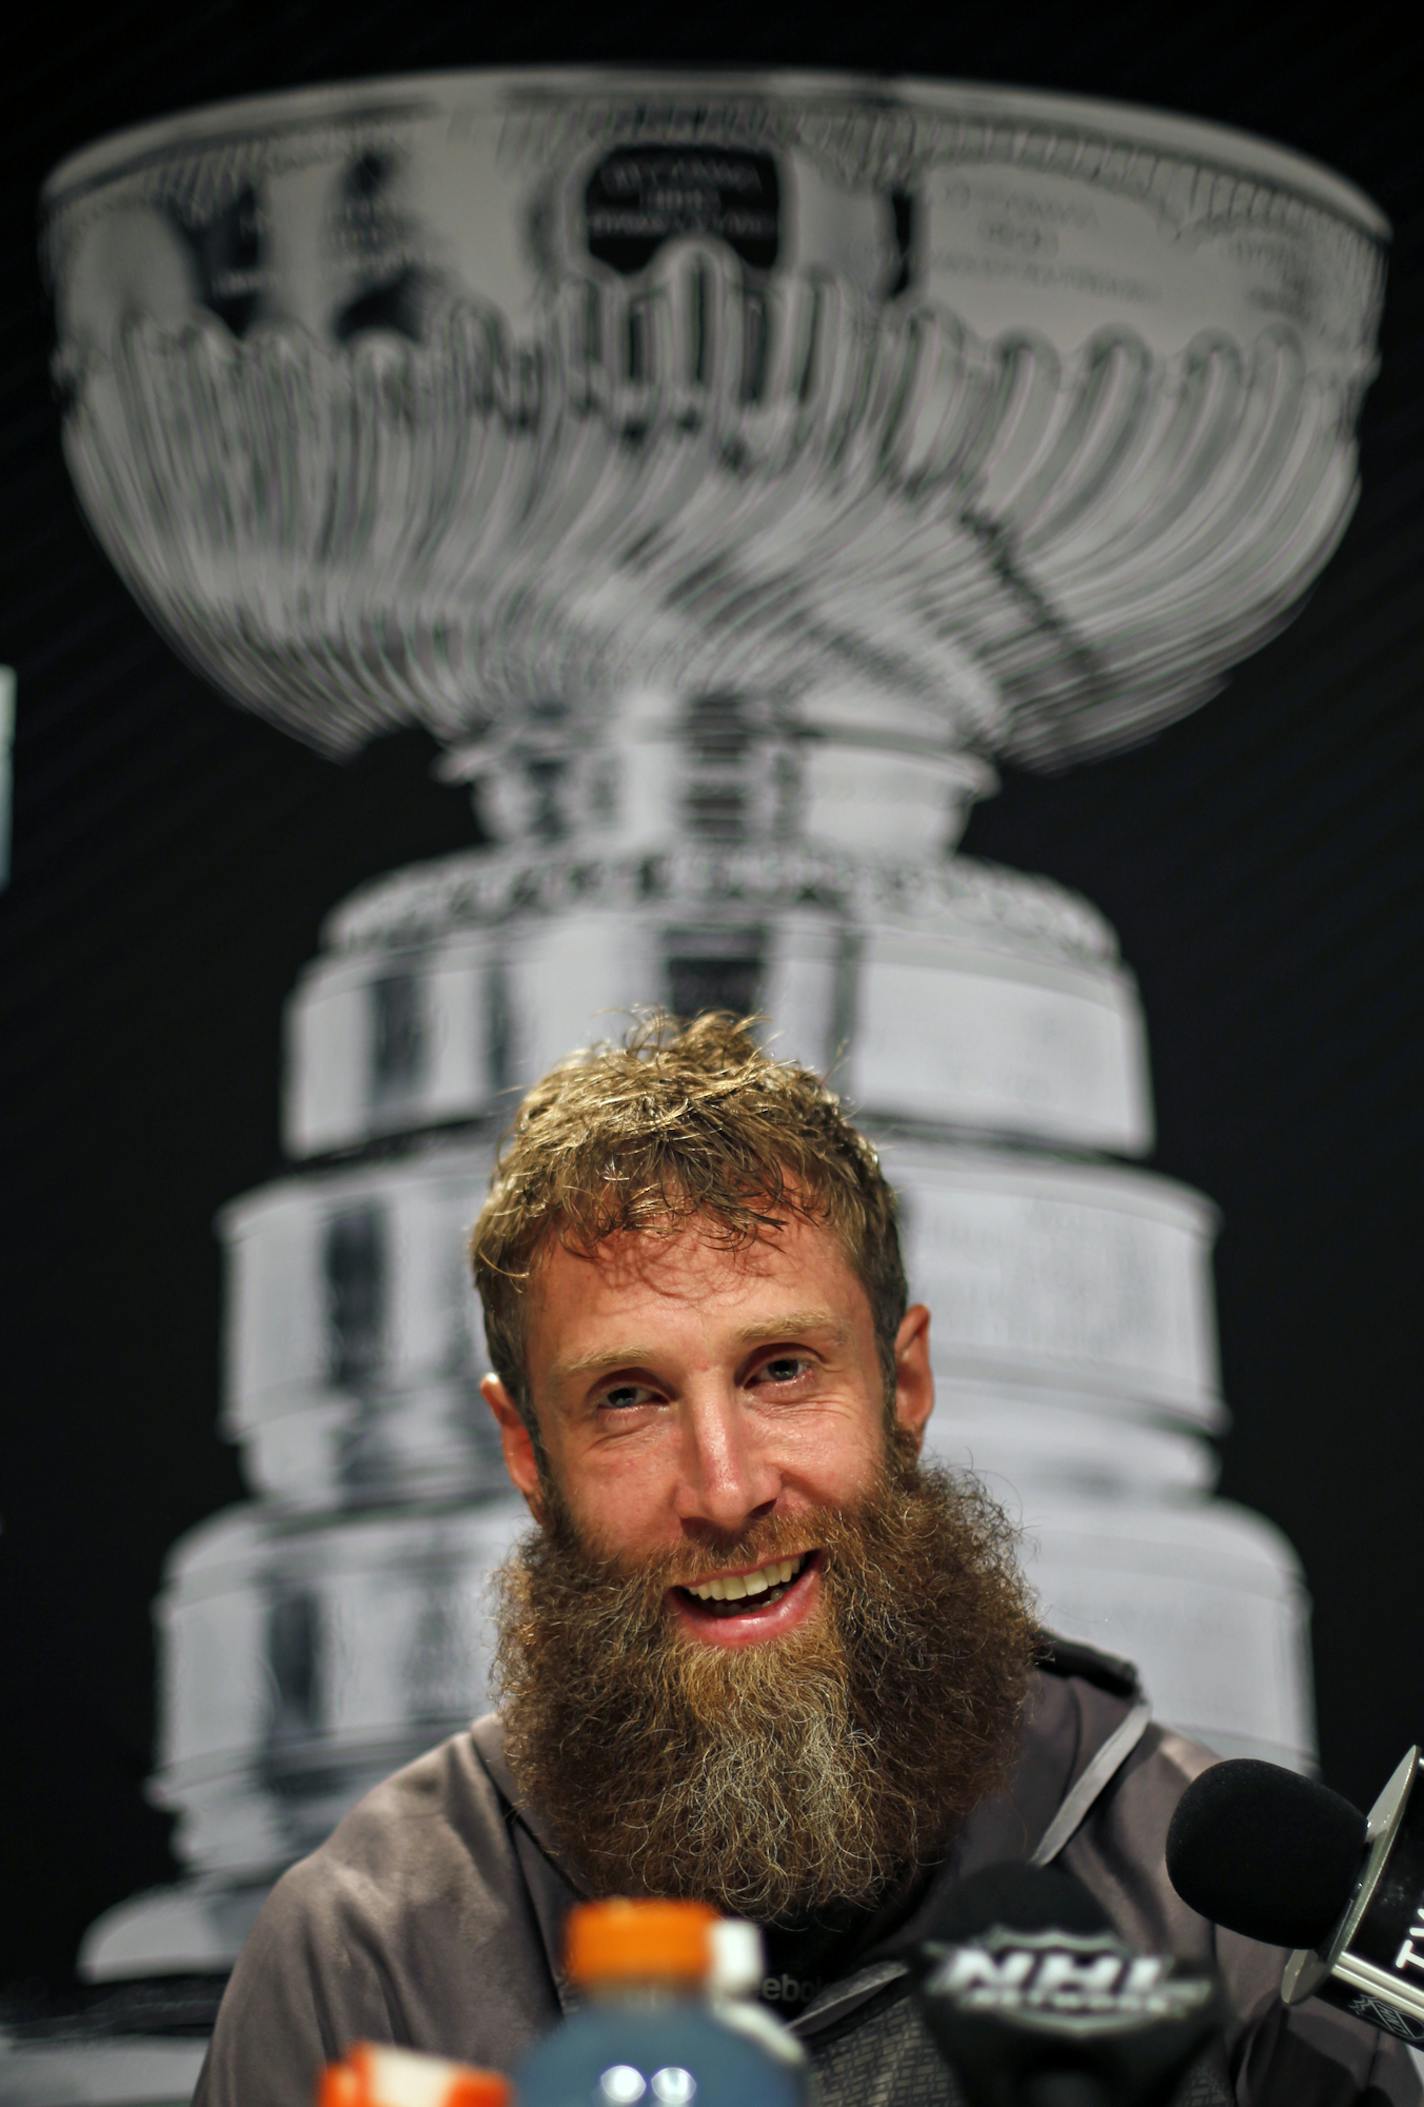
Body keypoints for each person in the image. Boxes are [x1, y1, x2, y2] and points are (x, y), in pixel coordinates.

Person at [194, 1013, 1419, 2106]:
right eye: (626, 1397)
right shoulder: (364, 1956)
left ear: (904, 1382)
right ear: (526, 1447)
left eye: (780, 1369)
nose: (725, 1490)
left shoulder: (1203, 1910)